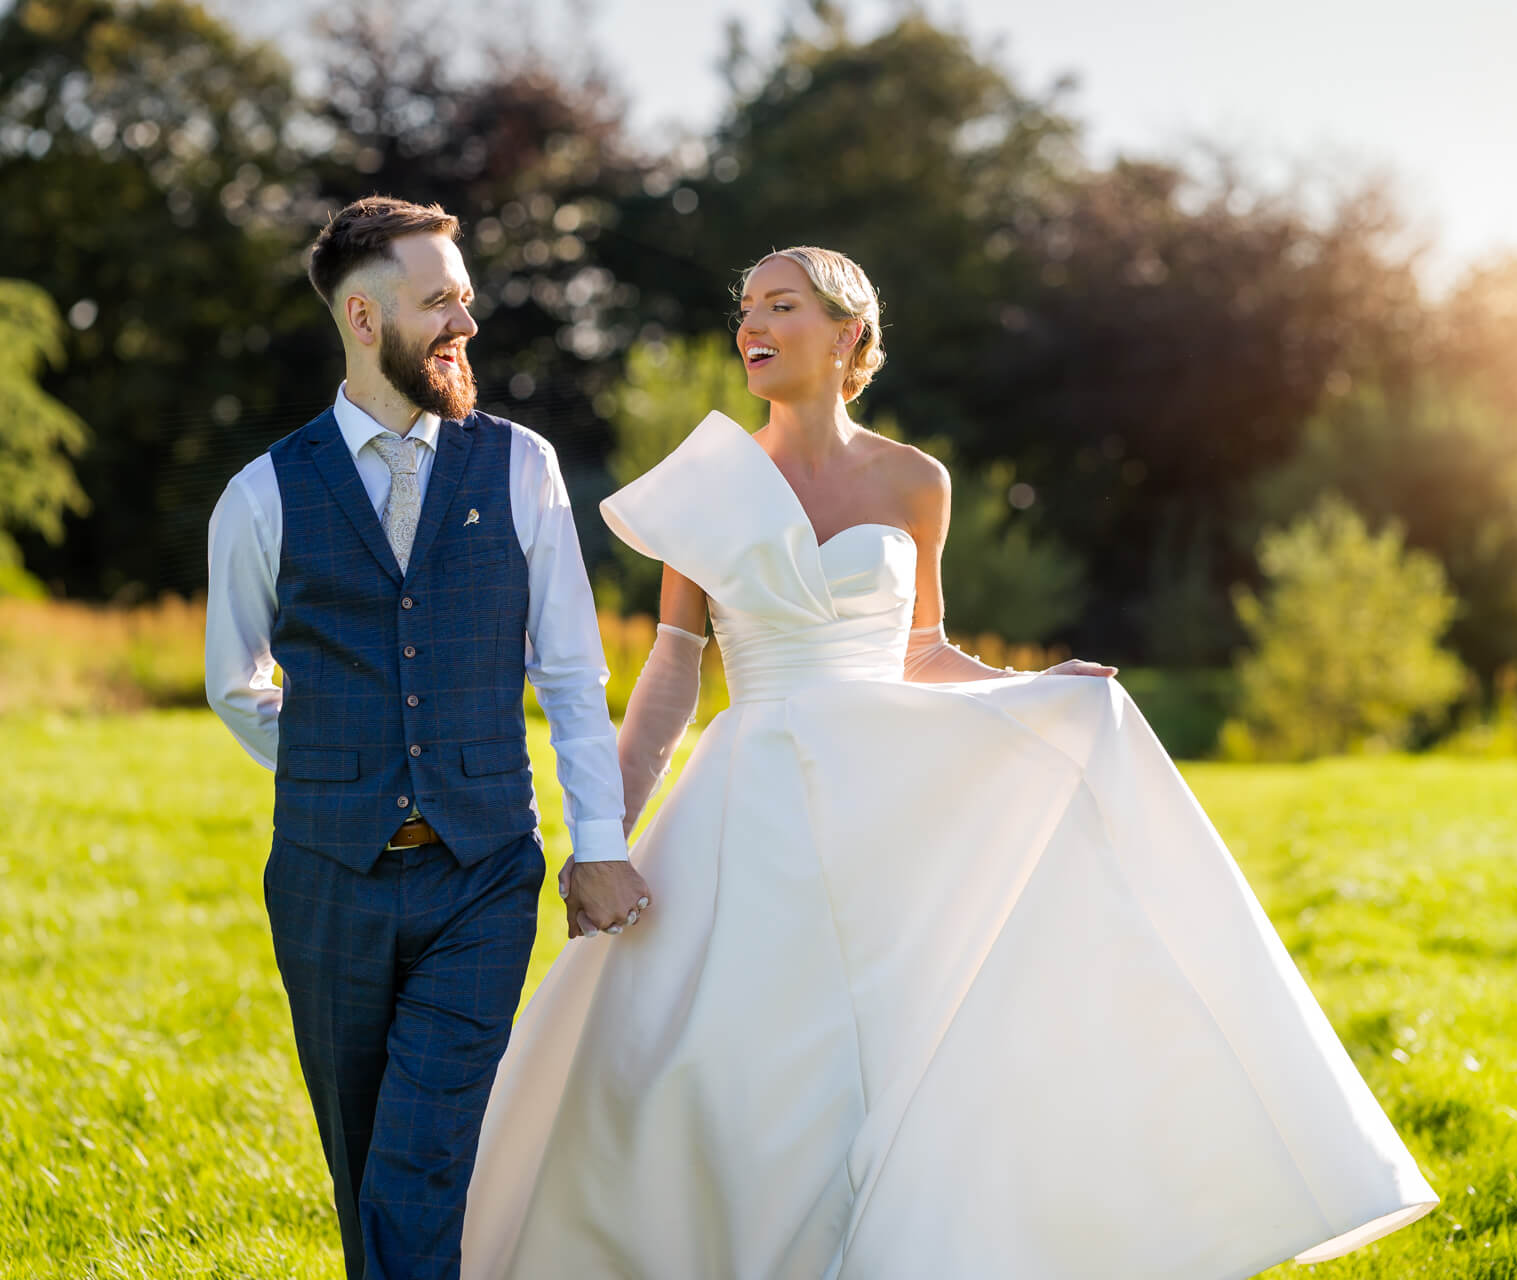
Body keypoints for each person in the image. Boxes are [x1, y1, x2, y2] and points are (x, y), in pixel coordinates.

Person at [462, 247, 1438, 1278]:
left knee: (895, 1065)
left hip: (891, 806)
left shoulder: (915, 480)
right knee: (715, 1066)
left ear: (849, 336)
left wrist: (1045, 689)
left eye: (782, 304)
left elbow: (921, 649)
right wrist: (603, 835)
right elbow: (669, 674)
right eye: (746, 306)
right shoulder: (704, 484)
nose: (754, 323)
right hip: (749, 810)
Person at [204, 195, 649, 1280]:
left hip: (484, 873)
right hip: (325, 879)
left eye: (466, 296)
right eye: (439, 299)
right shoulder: (263, 492)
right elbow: (234, 681)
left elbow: (572, 674)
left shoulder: (521, 465)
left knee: (419, 1157)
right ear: (363, 315)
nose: (467, 322)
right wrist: (339, 770)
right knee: (360, 1153)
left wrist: (598, 839)